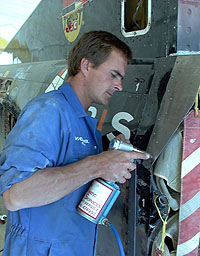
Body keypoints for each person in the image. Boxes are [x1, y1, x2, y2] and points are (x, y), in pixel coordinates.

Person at [0, 31, 150, 256]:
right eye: (113, 75)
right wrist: (98, 165)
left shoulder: (83, 123)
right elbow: (15, 195)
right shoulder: (48, 111)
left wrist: (108, 160)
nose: (119, 85)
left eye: (121, 78)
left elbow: (75, 181)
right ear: (87, 65)